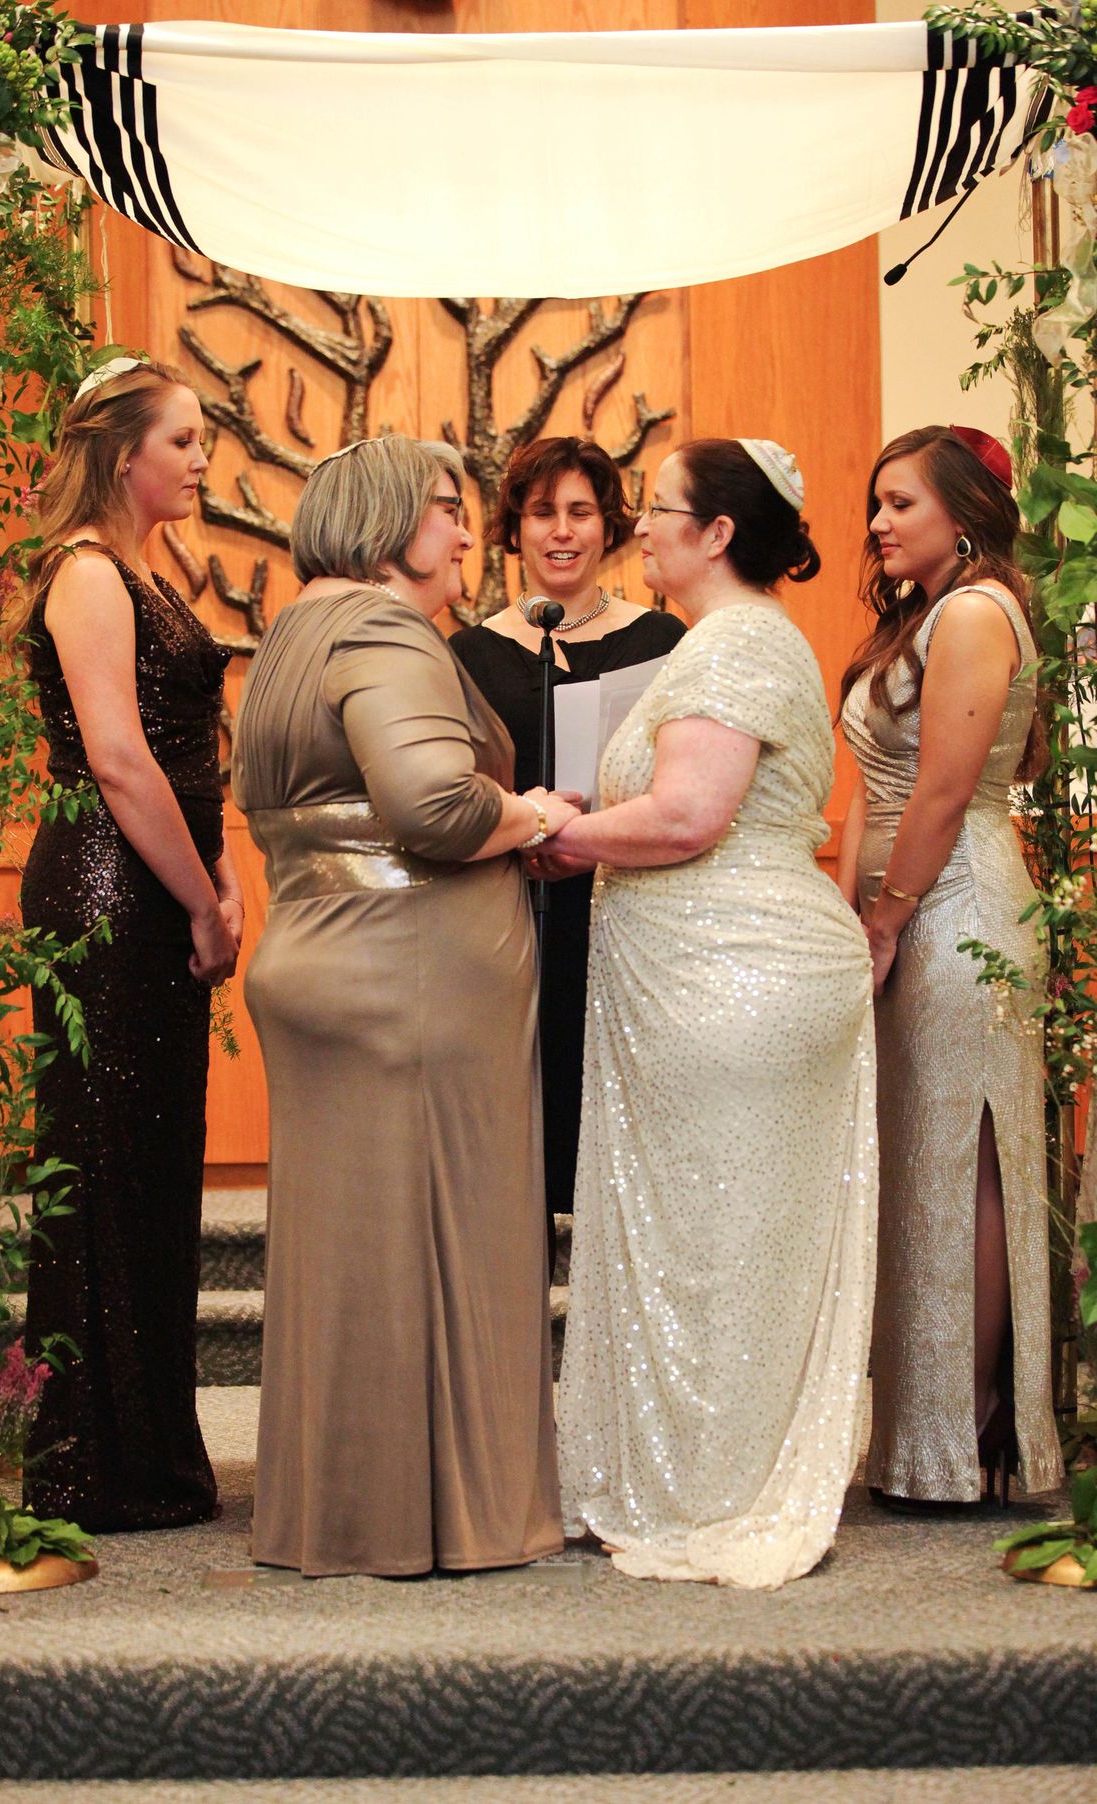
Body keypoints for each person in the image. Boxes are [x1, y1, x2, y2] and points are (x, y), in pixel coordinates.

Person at [231, 434, 573, 1577]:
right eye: (444, 507)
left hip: (319, 956)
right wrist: (527, 813)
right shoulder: (382, 629)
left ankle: (344, 1512)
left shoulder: (289, 637)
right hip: (413, 969)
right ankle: (450, 1517)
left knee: (350, 1258)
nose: (468, 531)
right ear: (381, 519)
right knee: (448, 1245)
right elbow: (429, 801)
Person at [547, 438, 877, 1588]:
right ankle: (693, 1464)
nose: (639, 526)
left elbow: (689, 816)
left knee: (724, 1239)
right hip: (705, 980)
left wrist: (557, 835)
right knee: (714, 1233)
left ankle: (721, 1484)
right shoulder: (719, 645)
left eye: (658, 509)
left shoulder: (739, 641)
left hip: (734, 975)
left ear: (719, 533)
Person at [17, 356, 241, 1532]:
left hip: (160, 883)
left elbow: (200, 741)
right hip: (110, 892)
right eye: (187, 439)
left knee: (153, 1163)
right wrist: (203, 900)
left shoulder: (157, 570)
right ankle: (97, 1459)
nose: (203, 459)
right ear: (123, 454)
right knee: (106, 1159)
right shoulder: (88, 574)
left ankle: (150, 1446)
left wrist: (229, 873)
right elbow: (116, 757)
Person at [838, 423, 1062, 1507]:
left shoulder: (974, 614)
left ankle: (965, 1430)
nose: (879, 523)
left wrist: (886, 916)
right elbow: (869, 792)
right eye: (876, 503)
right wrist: (848, 914)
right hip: (902, 908)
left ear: (965, 512)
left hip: (958, 908)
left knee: (963, 1163)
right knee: (914, 1164)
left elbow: (938, 790)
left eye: (901, 503)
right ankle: (923, 1434)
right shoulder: (917, 618)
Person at [451, 438, 685, 1269]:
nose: (561, 531)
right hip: (512, 905)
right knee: (519, 1104)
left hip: (628, 904)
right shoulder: (470, 652)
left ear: (609, 526)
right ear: (514, 527)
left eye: (580, 512)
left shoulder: (659, 636)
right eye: (542, 512)